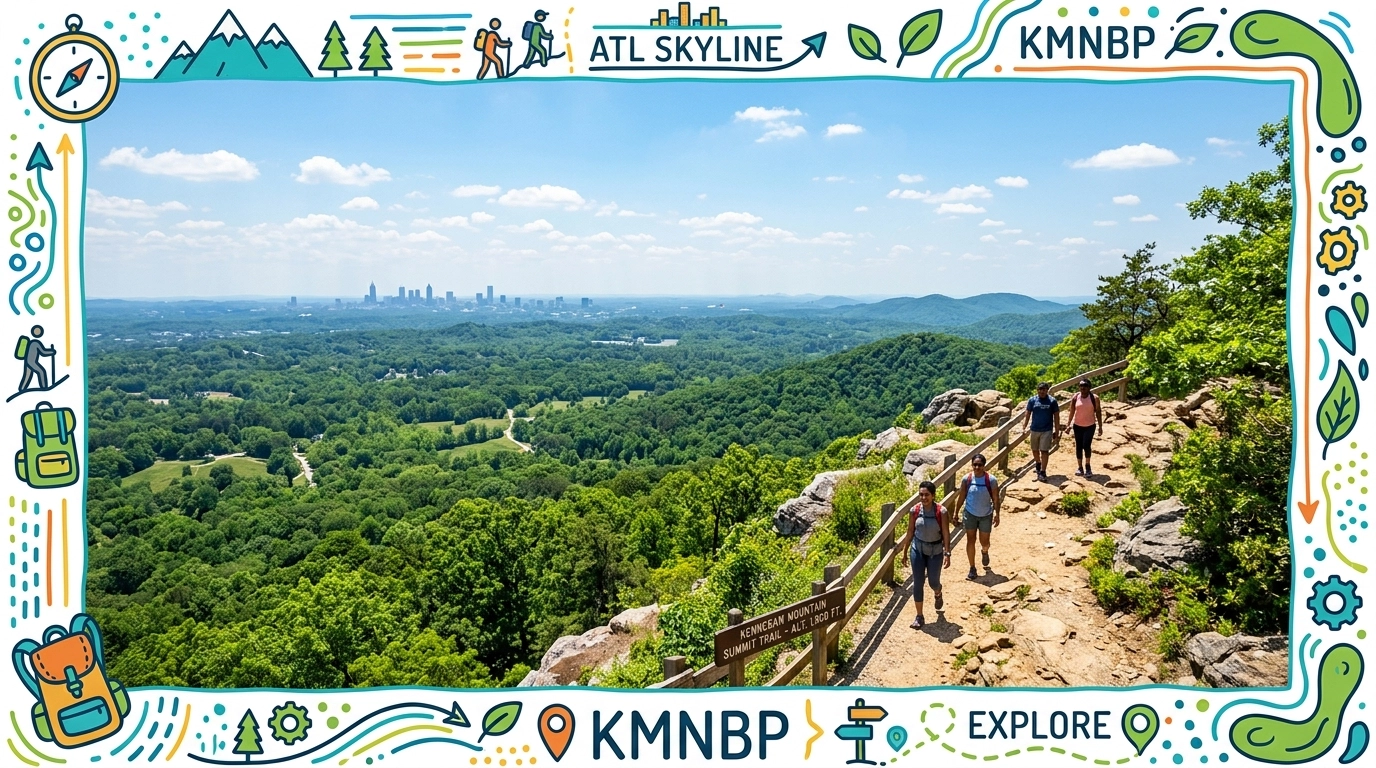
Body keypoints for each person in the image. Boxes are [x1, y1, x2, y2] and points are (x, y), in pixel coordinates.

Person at [901, 480, 950, 629]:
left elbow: (946, 533)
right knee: (918, 582)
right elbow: (910, 531)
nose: (923, 498)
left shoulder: (941, 512)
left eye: (926, 495)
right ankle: (919, 616)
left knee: (933, 582)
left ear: (933, 495)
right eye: (921, 495)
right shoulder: (914, 511)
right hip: (918, 550)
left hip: (935, 551)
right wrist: (905, 551)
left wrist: (947, 553)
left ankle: (938, 592)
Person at [953, 453, 1000, 579]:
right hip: (970, 514)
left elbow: (996, 498)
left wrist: (997, 514)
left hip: (986, 515)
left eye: (979, 465)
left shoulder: (991, 480)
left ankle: (984, 551)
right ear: (972, 465)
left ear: (984, 465)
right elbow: (961, 496)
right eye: (975, 465)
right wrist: (956, 513)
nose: (977, 467)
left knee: (985, 542)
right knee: (970, 540)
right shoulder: (967, 479)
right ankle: (972, 568)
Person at [1021, 381, 1062, 482]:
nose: (1042, 391)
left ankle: (1043, 472)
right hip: (1034, 429)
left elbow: (1056, 417)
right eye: (1040, 389)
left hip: (1046, 430)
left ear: (1047, 390)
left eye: (1044, 389)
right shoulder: (1032, 400)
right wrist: (1024, 426)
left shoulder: (1052, 401)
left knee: (1044, 451)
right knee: (1034, 450)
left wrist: (1057, 431)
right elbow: (1028, 413)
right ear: (1037, 390)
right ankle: (1038, 464)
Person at [1069, 378, 1104, 477]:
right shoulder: (1075, 397)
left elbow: (1098, 412)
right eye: (1081, 385)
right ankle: (1080, 467)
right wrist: (1068, 424)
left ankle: (1088, 466)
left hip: (1090, 426)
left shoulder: (1094, 398)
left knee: (1086, 445)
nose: (1082, 388)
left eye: (1085, 386)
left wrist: (1100, 426)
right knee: (1079, 446)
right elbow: (1072, 411)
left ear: (1089, 387)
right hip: (1077, 426)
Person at [17, 325, 55, 391]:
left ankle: (22, 389)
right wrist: (52, 352)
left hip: (28, 362)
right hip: (31, 362)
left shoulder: (32, 342)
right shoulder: (35, 343)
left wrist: (51, 352)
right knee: (41, 372)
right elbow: (43, 352)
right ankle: (44, 387)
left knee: (27, 376)